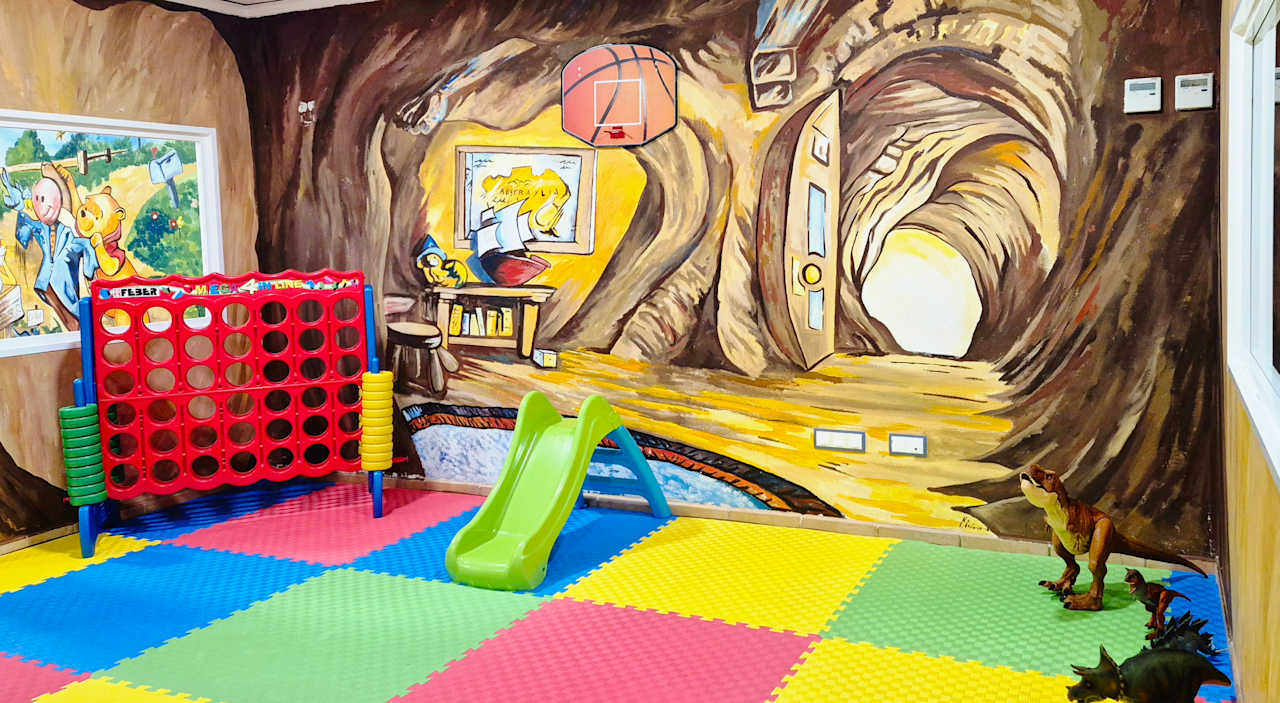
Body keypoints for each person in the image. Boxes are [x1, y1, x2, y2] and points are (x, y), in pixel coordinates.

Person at [0, 165, 98, 329]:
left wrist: (89, 268)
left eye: (42, 199)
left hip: (65, 284)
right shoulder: (41, 228)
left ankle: (78, 330)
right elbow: (24, 235)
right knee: (68, 319)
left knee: (74, 317)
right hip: (45, 283)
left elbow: (85, 244)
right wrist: (21, 209)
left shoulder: (68, 232)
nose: (40, 205)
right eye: (37, 199)